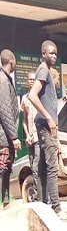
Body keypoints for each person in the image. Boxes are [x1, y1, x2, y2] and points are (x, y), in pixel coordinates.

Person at [28, 40, 67, 221]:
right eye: (51, 53)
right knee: (52, 168)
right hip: (46, 125)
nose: (54, 56)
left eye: (55, 53)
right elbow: (32, 95)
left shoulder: (44, 70)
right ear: (43, 53)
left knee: (44, 167)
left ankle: (41, 204)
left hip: (45, 124)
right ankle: (56, 207)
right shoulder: (44, 70)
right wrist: (47, 117)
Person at [0, 49, 20, 209]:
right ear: (12, 61)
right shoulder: (3, 81)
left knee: (6, 169)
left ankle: (6, 201)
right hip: (4, 136)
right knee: (2, 168)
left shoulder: (5, 79)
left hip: (5, 135)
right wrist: (14, 137)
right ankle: (4, 201)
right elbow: (5, 110)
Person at [21, 73, 40, 190]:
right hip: (30, 138)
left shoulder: (40, 96)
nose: (32, 81)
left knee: (38, 165)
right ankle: (36, 192)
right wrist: (27, 134)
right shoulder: (25, 98)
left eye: (34, 79)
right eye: (30, 79)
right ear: (27, 81)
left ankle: (39, 194)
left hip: (39, 136)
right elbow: (24, 120)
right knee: (32, 165)